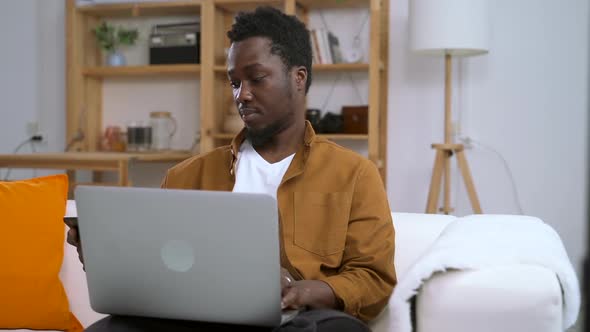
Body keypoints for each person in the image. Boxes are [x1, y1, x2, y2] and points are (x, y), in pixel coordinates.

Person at [67, 6, 395, 332]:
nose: (242, 94)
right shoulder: (185, 176)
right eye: (234, 82)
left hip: (297, 318)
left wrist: (304, 291)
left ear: (298, 78)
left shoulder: (354, 174)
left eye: (256, 78)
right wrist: (101, 255)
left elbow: (374, 279)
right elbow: (160, 269)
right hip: (196, 314)